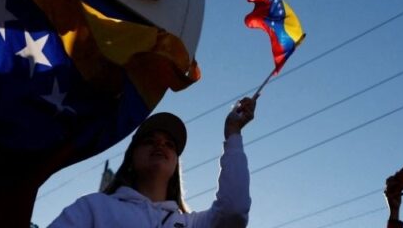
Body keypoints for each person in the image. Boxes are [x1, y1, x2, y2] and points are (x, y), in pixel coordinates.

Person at [49, 97, 256, 228]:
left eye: (169, 144)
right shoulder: (94, 207)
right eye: (150, 141)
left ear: (175, 164)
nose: (160, 146)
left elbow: (234, 210)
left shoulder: (191, 224)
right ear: (131, 158)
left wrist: (233, 133)